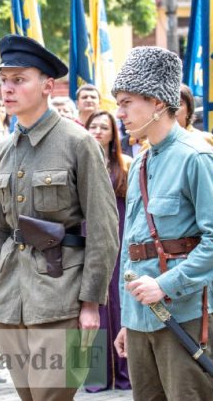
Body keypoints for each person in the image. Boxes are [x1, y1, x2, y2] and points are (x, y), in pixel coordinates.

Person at [0, 34, 119, 400]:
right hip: (10, 299)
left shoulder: (78, 142)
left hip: (60, 297)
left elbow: (104, 228)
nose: (7, 89)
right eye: (5, 80)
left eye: (19, 80)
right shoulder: (2, 149)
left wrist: (91, 303)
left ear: (47, 86)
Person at [111, 47, 213, 400]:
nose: (119, 113)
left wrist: (166, 285)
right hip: (141, 314)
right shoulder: (140, 162)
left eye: (126, 102)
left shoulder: (197, 156)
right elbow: (132, 248)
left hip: (181, 309)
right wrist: (127, 318)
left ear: (156, 103)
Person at [84, 110, 131, 391]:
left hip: (118, 236)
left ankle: (125, 370)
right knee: (90, 303)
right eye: (94, 126)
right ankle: (93, 374)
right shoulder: (76, 162)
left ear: (114, 134)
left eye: (105, 127)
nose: (98, 131)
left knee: (118, 301)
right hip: (86, 236)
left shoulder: (124, 165)